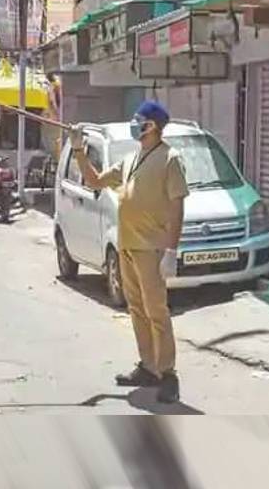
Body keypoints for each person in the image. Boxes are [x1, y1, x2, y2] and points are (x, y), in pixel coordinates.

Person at [69, 101, 188, 403]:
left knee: (157, 311)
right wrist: (79, 150)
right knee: (136, 309)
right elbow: (95, 181)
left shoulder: (169, 159)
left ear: (152, 126)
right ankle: (148, 366)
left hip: (152, 248)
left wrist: (171, 251)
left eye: (139, 121)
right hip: (127, 246)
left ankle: (168, 373)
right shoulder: (131, 158)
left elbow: (177, 209)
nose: (135, 125)